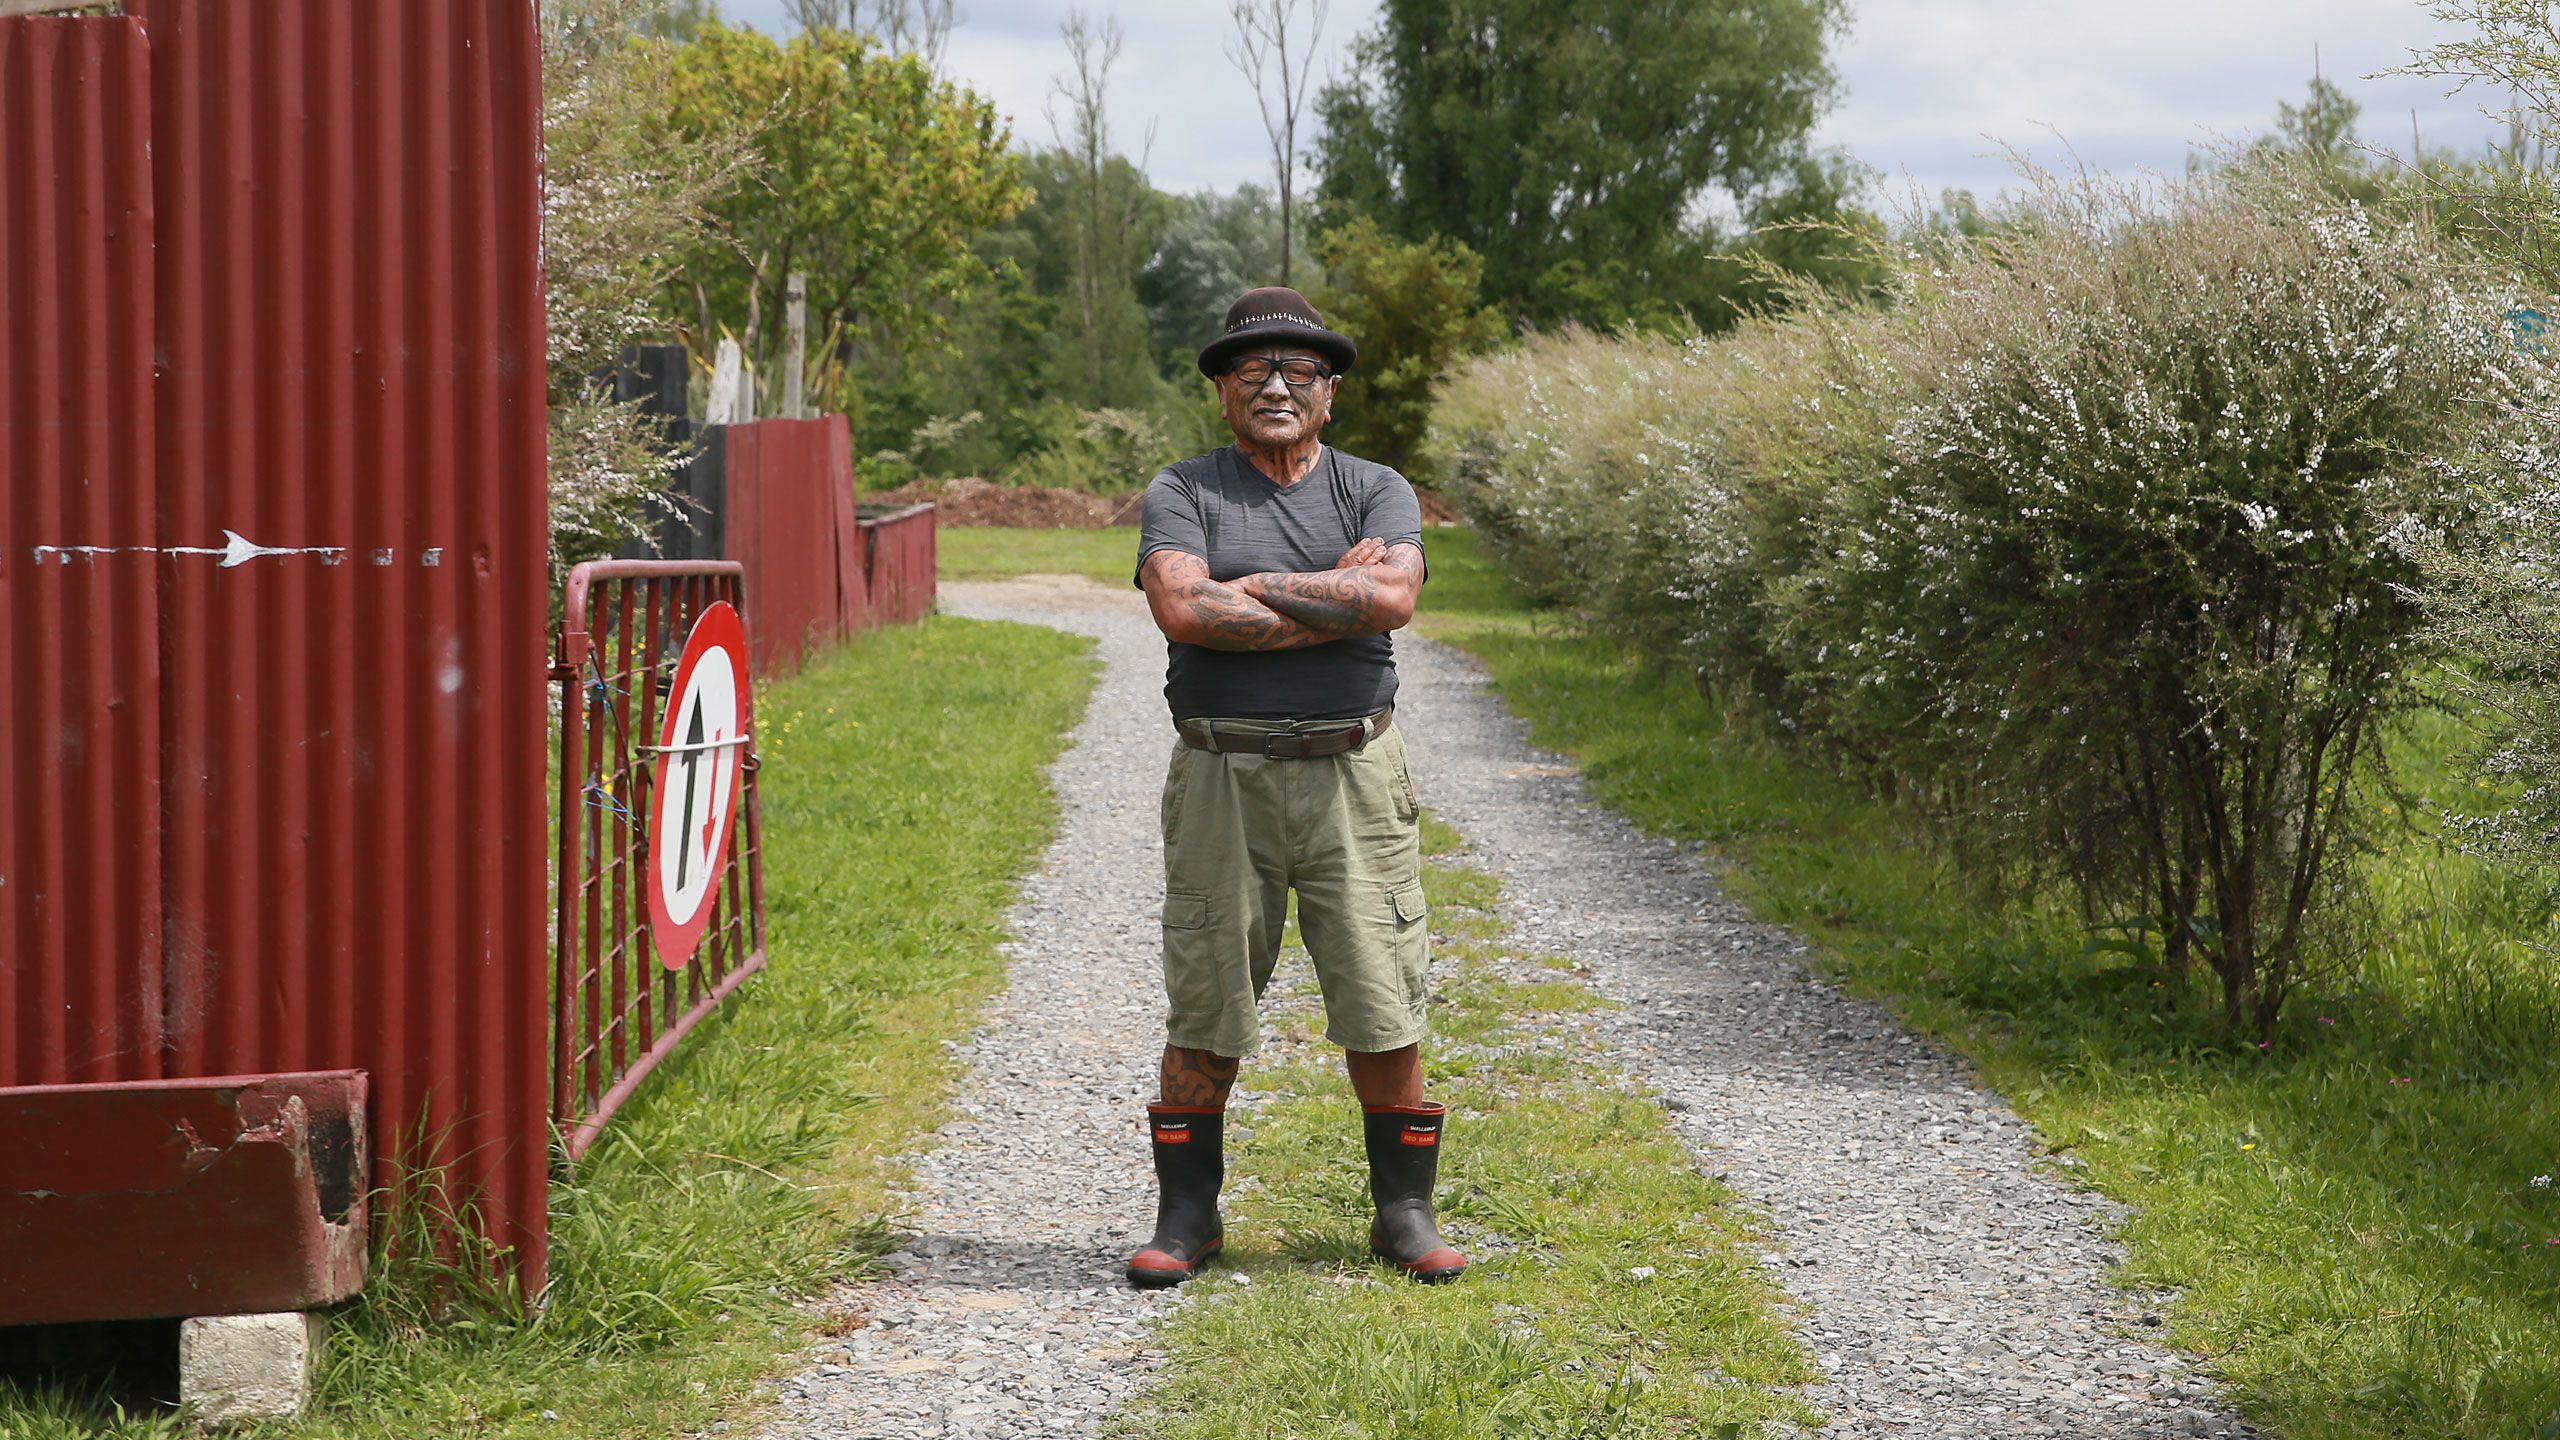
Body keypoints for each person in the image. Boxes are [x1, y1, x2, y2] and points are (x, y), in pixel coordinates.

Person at [1124, 287, 1465, 1288]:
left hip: (1354, 771)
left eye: (1299, 370)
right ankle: (1187, 1217)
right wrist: (1329, 590)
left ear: (1330, 391)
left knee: (1380, 991)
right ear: (1223, 392)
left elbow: (1393, 595)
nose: (1275, 385)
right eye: (1251, 371)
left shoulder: (1375, 488)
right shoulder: (1182, 489)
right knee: (1206, 997)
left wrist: (1255, 585)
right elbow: (1185, 610)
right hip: (1220, 773)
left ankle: (1402, 1213)